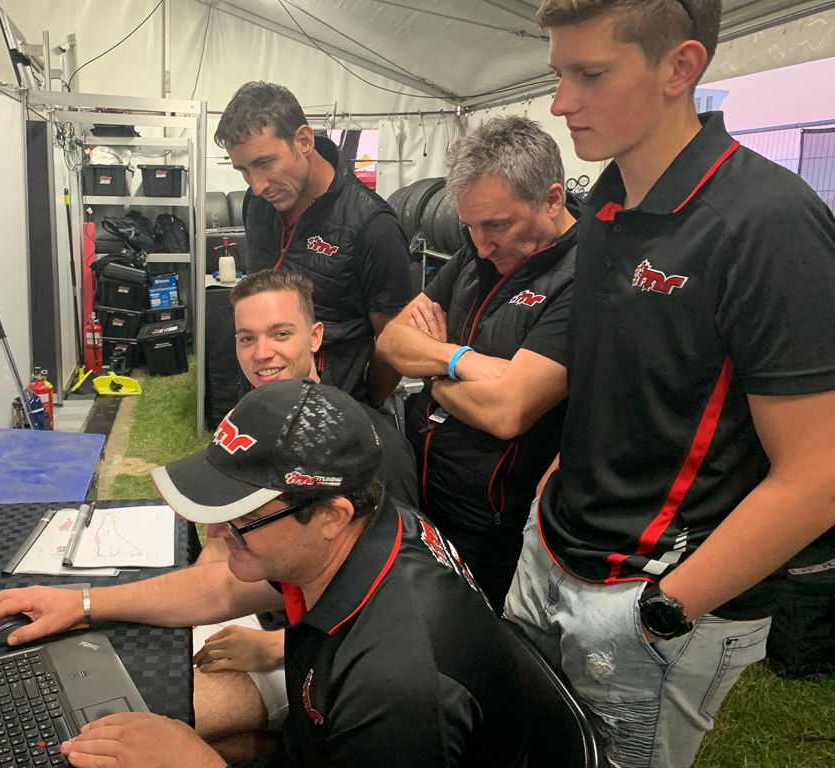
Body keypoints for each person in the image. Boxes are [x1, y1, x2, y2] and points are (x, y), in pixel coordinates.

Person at [504, 2, 835, 767]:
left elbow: (817, 476)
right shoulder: (608, 204)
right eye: (559, 73)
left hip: (648, 596)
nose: (559, 103)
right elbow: (614, 384)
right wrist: (549, 508)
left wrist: (662, 610)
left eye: (589, 74)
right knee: (528, 741)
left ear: (679, 69)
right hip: (551, 551)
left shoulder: (767, 222)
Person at [0, 380, 515, 768]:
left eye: (244, 517)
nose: (218, 532)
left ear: (330, 515)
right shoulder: (364, 527)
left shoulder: (398, 690)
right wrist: (86, 603)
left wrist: (193, 762)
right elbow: (224, 584)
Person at [192, 268, 419, 756]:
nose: (261, 354)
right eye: (246, 338)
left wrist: (276, 650)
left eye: (280, 333)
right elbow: (217, 548)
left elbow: (393, 586)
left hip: (319, 649)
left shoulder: (366, 449)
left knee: (170, 716)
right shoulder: (250, 417)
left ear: (315, 336)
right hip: (278, 615)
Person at [375, 116, 577, 606]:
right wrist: (460, 360)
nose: (482, 244)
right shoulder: (475, 255)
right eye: (469, 226)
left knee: (479, 641)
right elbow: (391, 342)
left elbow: (506, 413)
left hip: (499, 523)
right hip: (431, 489)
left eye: (496, 225)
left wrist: (433, 379)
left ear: (552, 199)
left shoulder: (583, 275)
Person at [215, 81, 413, 408]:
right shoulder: (258, 203)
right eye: (244, 170)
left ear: (304, 141)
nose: (257, 184)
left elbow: (394, 344)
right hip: (260, 401)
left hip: (332, 414)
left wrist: (363, 407)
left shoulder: (372, 226)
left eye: (264, 163)